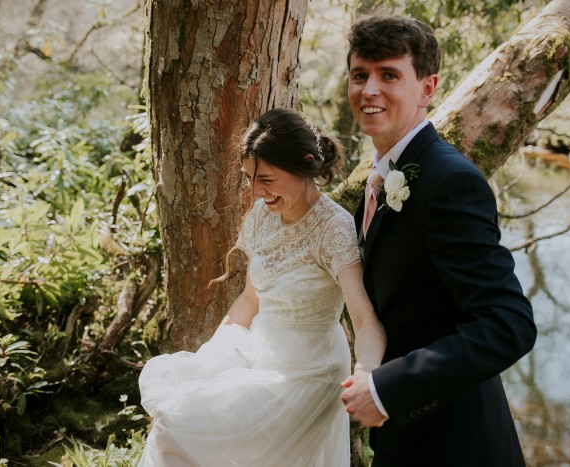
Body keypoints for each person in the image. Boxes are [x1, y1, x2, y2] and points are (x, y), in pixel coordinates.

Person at [338, 15, 537, 466]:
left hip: (456, 443)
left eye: (389, 75)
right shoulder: (381, 175)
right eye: (359, 75)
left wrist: (389, 388)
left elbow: (508, 325)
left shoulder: (450, 182)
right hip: (404, 440)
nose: (369, 90)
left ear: (427, 89)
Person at [137, 107, 386, 466]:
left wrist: (366, 378)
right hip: (258, 352)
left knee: (181, 431)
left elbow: (364, 320)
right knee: (174, 417)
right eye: (249, 178)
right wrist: (210, 358)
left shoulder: (334, 228)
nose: (256, 192)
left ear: (304, 166)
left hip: (310, 372)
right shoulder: (260, 219)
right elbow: (250, 299)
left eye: (266, 180)